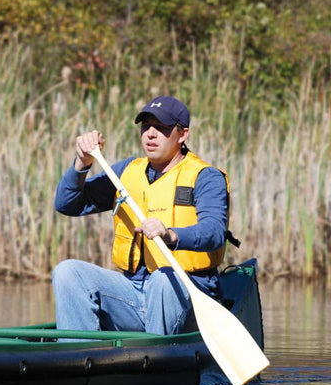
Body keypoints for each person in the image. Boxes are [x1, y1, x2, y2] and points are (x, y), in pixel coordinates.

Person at [52, 96, 236, 335]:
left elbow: (214, 232)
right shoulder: (127, 172)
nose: (150, 134)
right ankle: (77, 358)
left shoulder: (206, 177)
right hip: (134, 291)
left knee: (163, 277)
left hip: (188, 291)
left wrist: (170, 234)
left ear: (183, 135)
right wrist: (81, 163)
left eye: (161, 128)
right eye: (145, 127)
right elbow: (67, 205)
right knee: (68, 272)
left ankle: (157, 358)